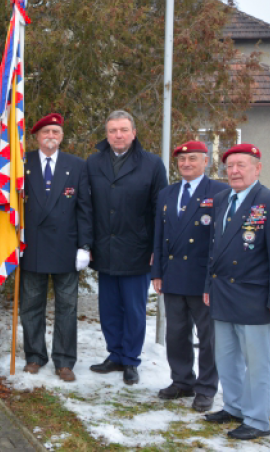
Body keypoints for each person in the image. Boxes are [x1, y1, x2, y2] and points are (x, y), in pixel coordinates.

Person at [202, 144, 270, 440]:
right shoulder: (222, 199)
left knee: (257, 362)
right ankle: (234, 407)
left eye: (241, 165)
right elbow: (214, 250)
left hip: (254, 296)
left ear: (257, 168)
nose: (234, 171)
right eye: (230, 166)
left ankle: (257, 419)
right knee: (226, 357)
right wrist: (207, 286)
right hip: (222, 291)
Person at [87, 110, 167, 385]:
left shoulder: (152, 164)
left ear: (134, 133)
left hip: (137, 249)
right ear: (106, 134)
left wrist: (157, 247)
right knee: (109, 308)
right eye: (112, 131)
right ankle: (116, 354)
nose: (118, 135)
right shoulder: (94, 163)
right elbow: (87, 207)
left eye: (123, 130)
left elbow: (160, 210)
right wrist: (87, 244)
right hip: (105, 248)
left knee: (133, 309)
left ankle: (131, 359)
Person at [151, 140, 228, 412]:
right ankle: (182, 380)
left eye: (193, 159)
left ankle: (206, 388)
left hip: (203, 278)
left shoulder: (219, 191)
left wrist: (213, 278)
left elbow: (221, 240)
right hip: (173, 275)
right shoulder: (167, 193)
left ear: (205, 161)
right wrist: (157, 271)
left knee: (209, 337)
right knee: (176, 333)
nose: (186, 164)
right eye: (182, 160)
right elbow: (159, 236)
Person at [17, 113, 93, 381]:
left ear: (62, 137)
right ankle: (35, 356)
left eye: (56, 132)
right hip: (32, 247)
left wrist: (84, 246)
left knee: (67, 307)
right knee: (31, 305)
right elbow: (11, 207)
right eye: (46, 132)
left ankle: (64, 361)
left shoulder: (77, 166)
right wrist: (13, 240)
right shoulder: (21, 163)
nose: (51, 136)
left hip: (66, 247)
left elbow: (84, 209)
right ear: (36, 136)